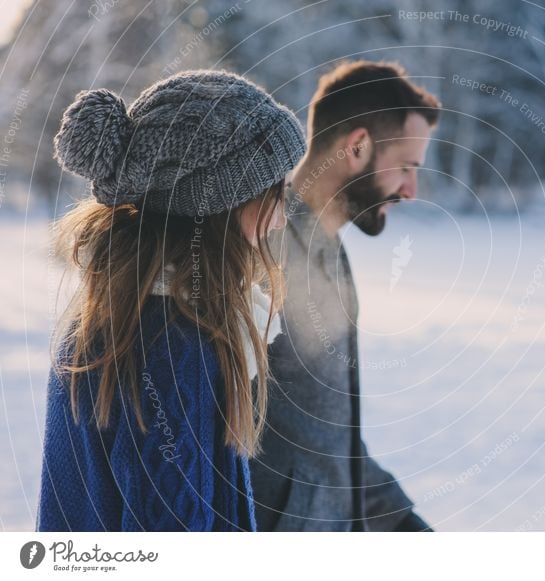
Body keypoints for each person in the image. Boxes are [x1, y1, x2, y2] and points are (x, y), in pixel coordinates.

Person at [37, 70, 306, 531]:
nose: (281, 219)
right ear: (220, 204)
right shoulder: (173, 352)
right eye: (273, 193)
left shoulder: (116, 318)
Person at [250, 60, 441, 531]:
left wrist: (400, 524)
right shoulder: (259, 250)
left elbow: (331, 440)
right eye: (406, 167)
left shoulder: (332, 256)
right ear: (357, 146)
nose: (412, 190)